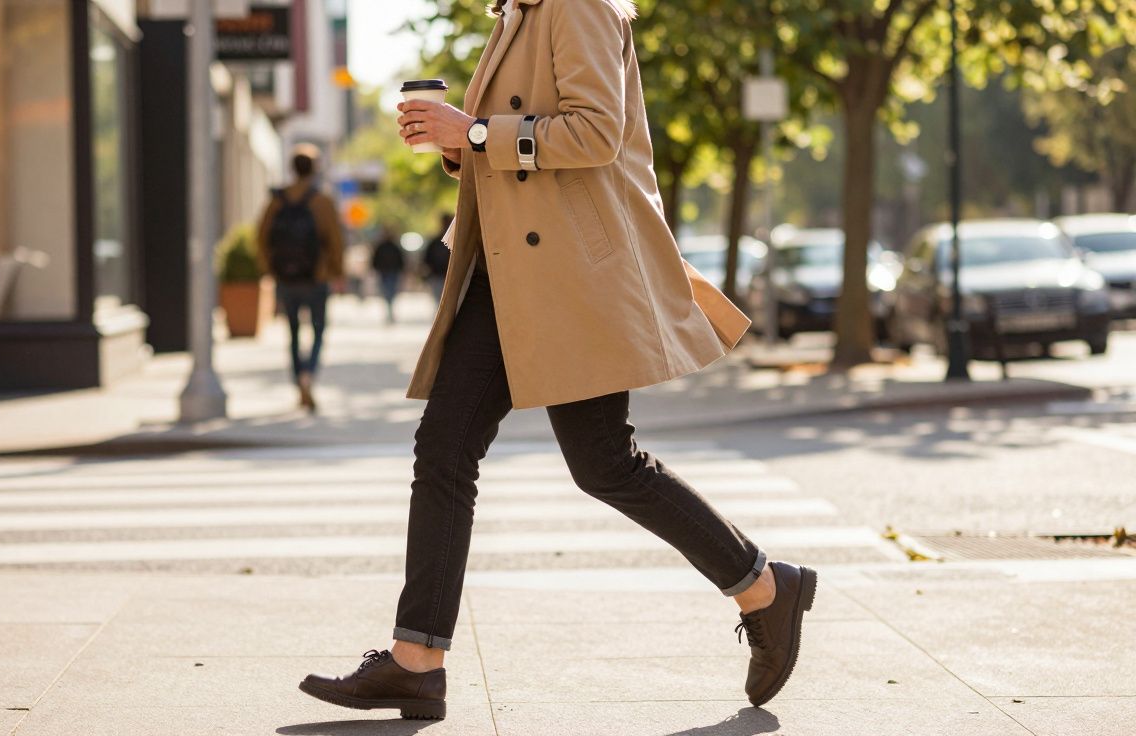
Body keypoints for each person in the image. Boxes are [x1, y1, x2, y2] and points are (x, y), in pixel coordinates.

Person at [298, 0, 815, 721]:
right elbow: (510, 144)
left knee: (603, 462)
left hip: (567, 277)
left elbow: (596, 133)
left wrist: (473, 130)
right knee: (445, 449)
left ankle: (763, 587)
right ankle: (417, 661)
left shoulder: (578, 6)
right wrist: (456, 144)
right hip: (509, 271)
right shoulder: (519, 14)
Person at [255, 144, 345, 413]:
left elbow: (261, 237)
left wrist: (269, 269)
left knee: (292, 333)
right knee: (318, 330)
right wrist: (337, 272)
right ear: (314, 169)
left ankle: (298, 380)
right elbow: (336, 241)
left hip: (285, 279)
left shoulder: (277, 200)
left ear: (292, 167)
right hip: (316, 278)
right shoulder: (322, 201)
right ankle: (309, 374)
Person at [370, 228, 406, 324]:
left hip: (391, 272)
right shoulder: (383, 247)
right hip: (385, 272)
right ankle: (389, 310)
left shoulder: (393, 247)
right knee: (387, 291)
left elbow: (400, 260)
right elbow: (375, 259)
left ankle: (390, 309)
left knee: (390, 291)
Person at [421, 214, 453, 304]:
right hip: (438, 276)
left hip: (450, 276)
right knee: (440, 302)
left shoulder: (456, 240)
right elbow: (427, 258)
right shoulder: (435, 242)